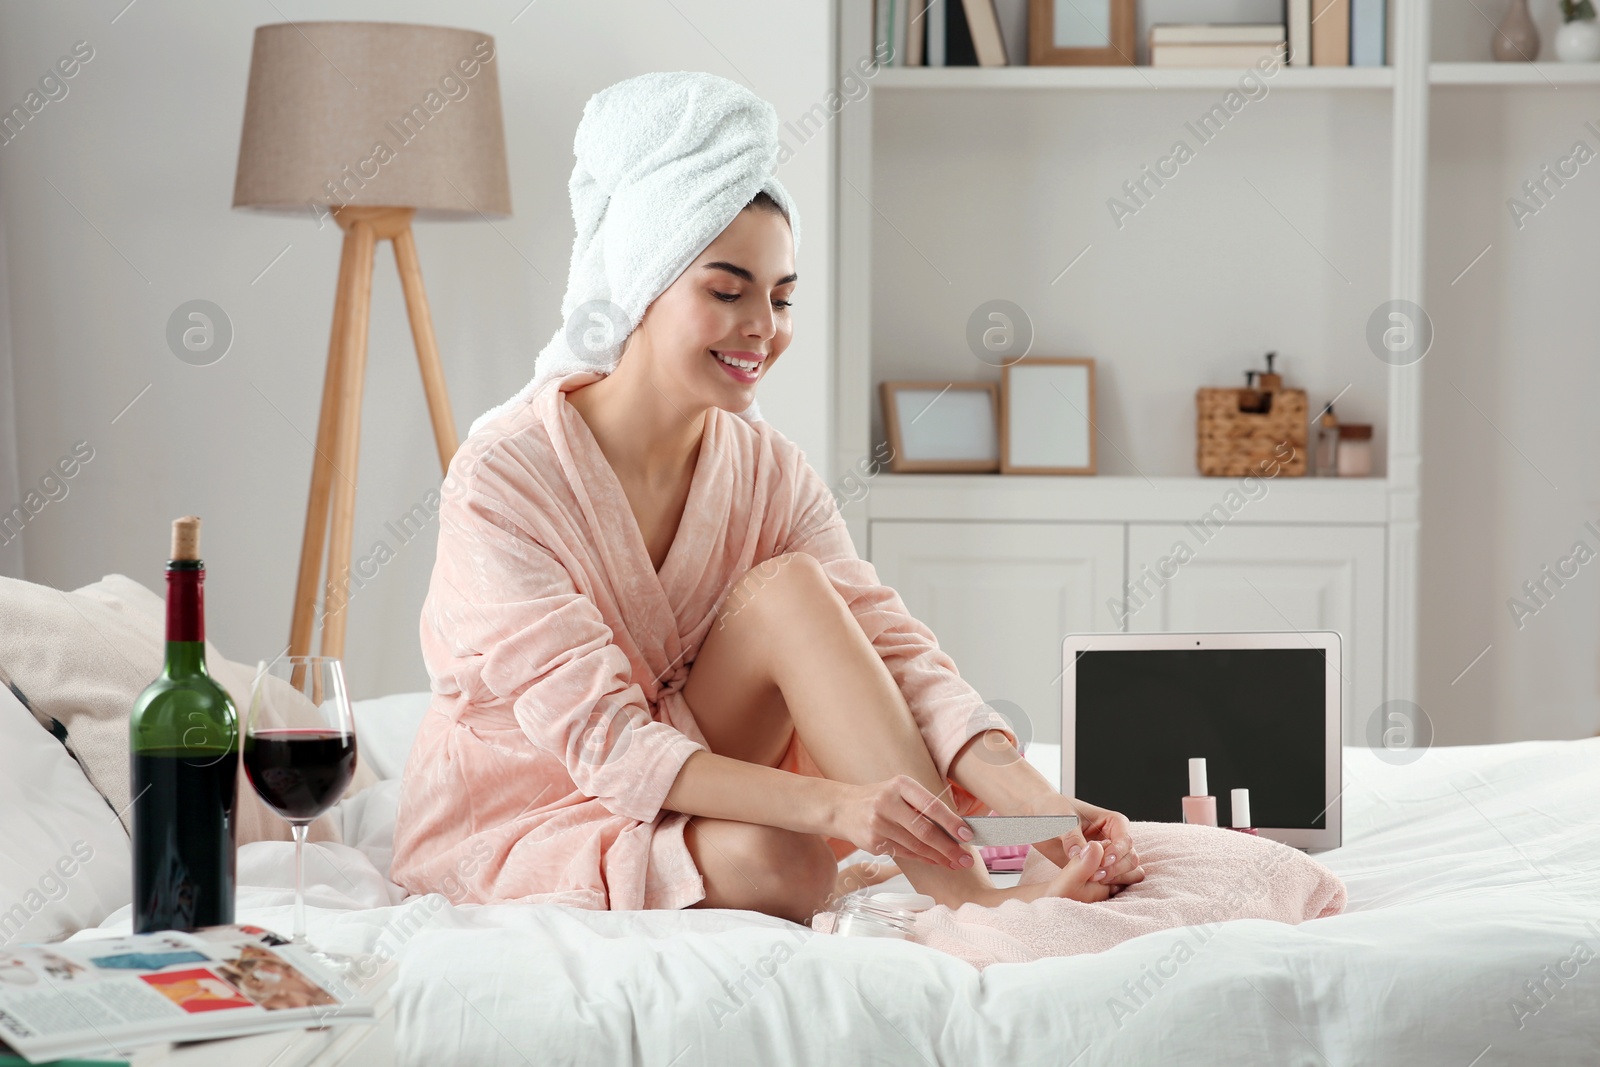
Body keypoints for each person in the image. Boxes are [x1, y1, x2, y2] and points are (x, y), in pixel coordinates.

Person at [390, 71, 1142, 925]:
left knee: (794, 591)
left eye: (782, 298)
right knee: (786, 863)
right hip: (536, 805)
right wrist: (837, 807)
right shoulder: (505, 476)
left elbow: (890, 648)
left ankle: (972, 894)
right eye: (727, 290)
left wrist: (1039, 805)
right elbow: (605, 739)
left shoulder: (767, 467)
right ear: (644, 281)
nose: (764, 326)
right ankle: (962, 880)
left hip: (699, 757)